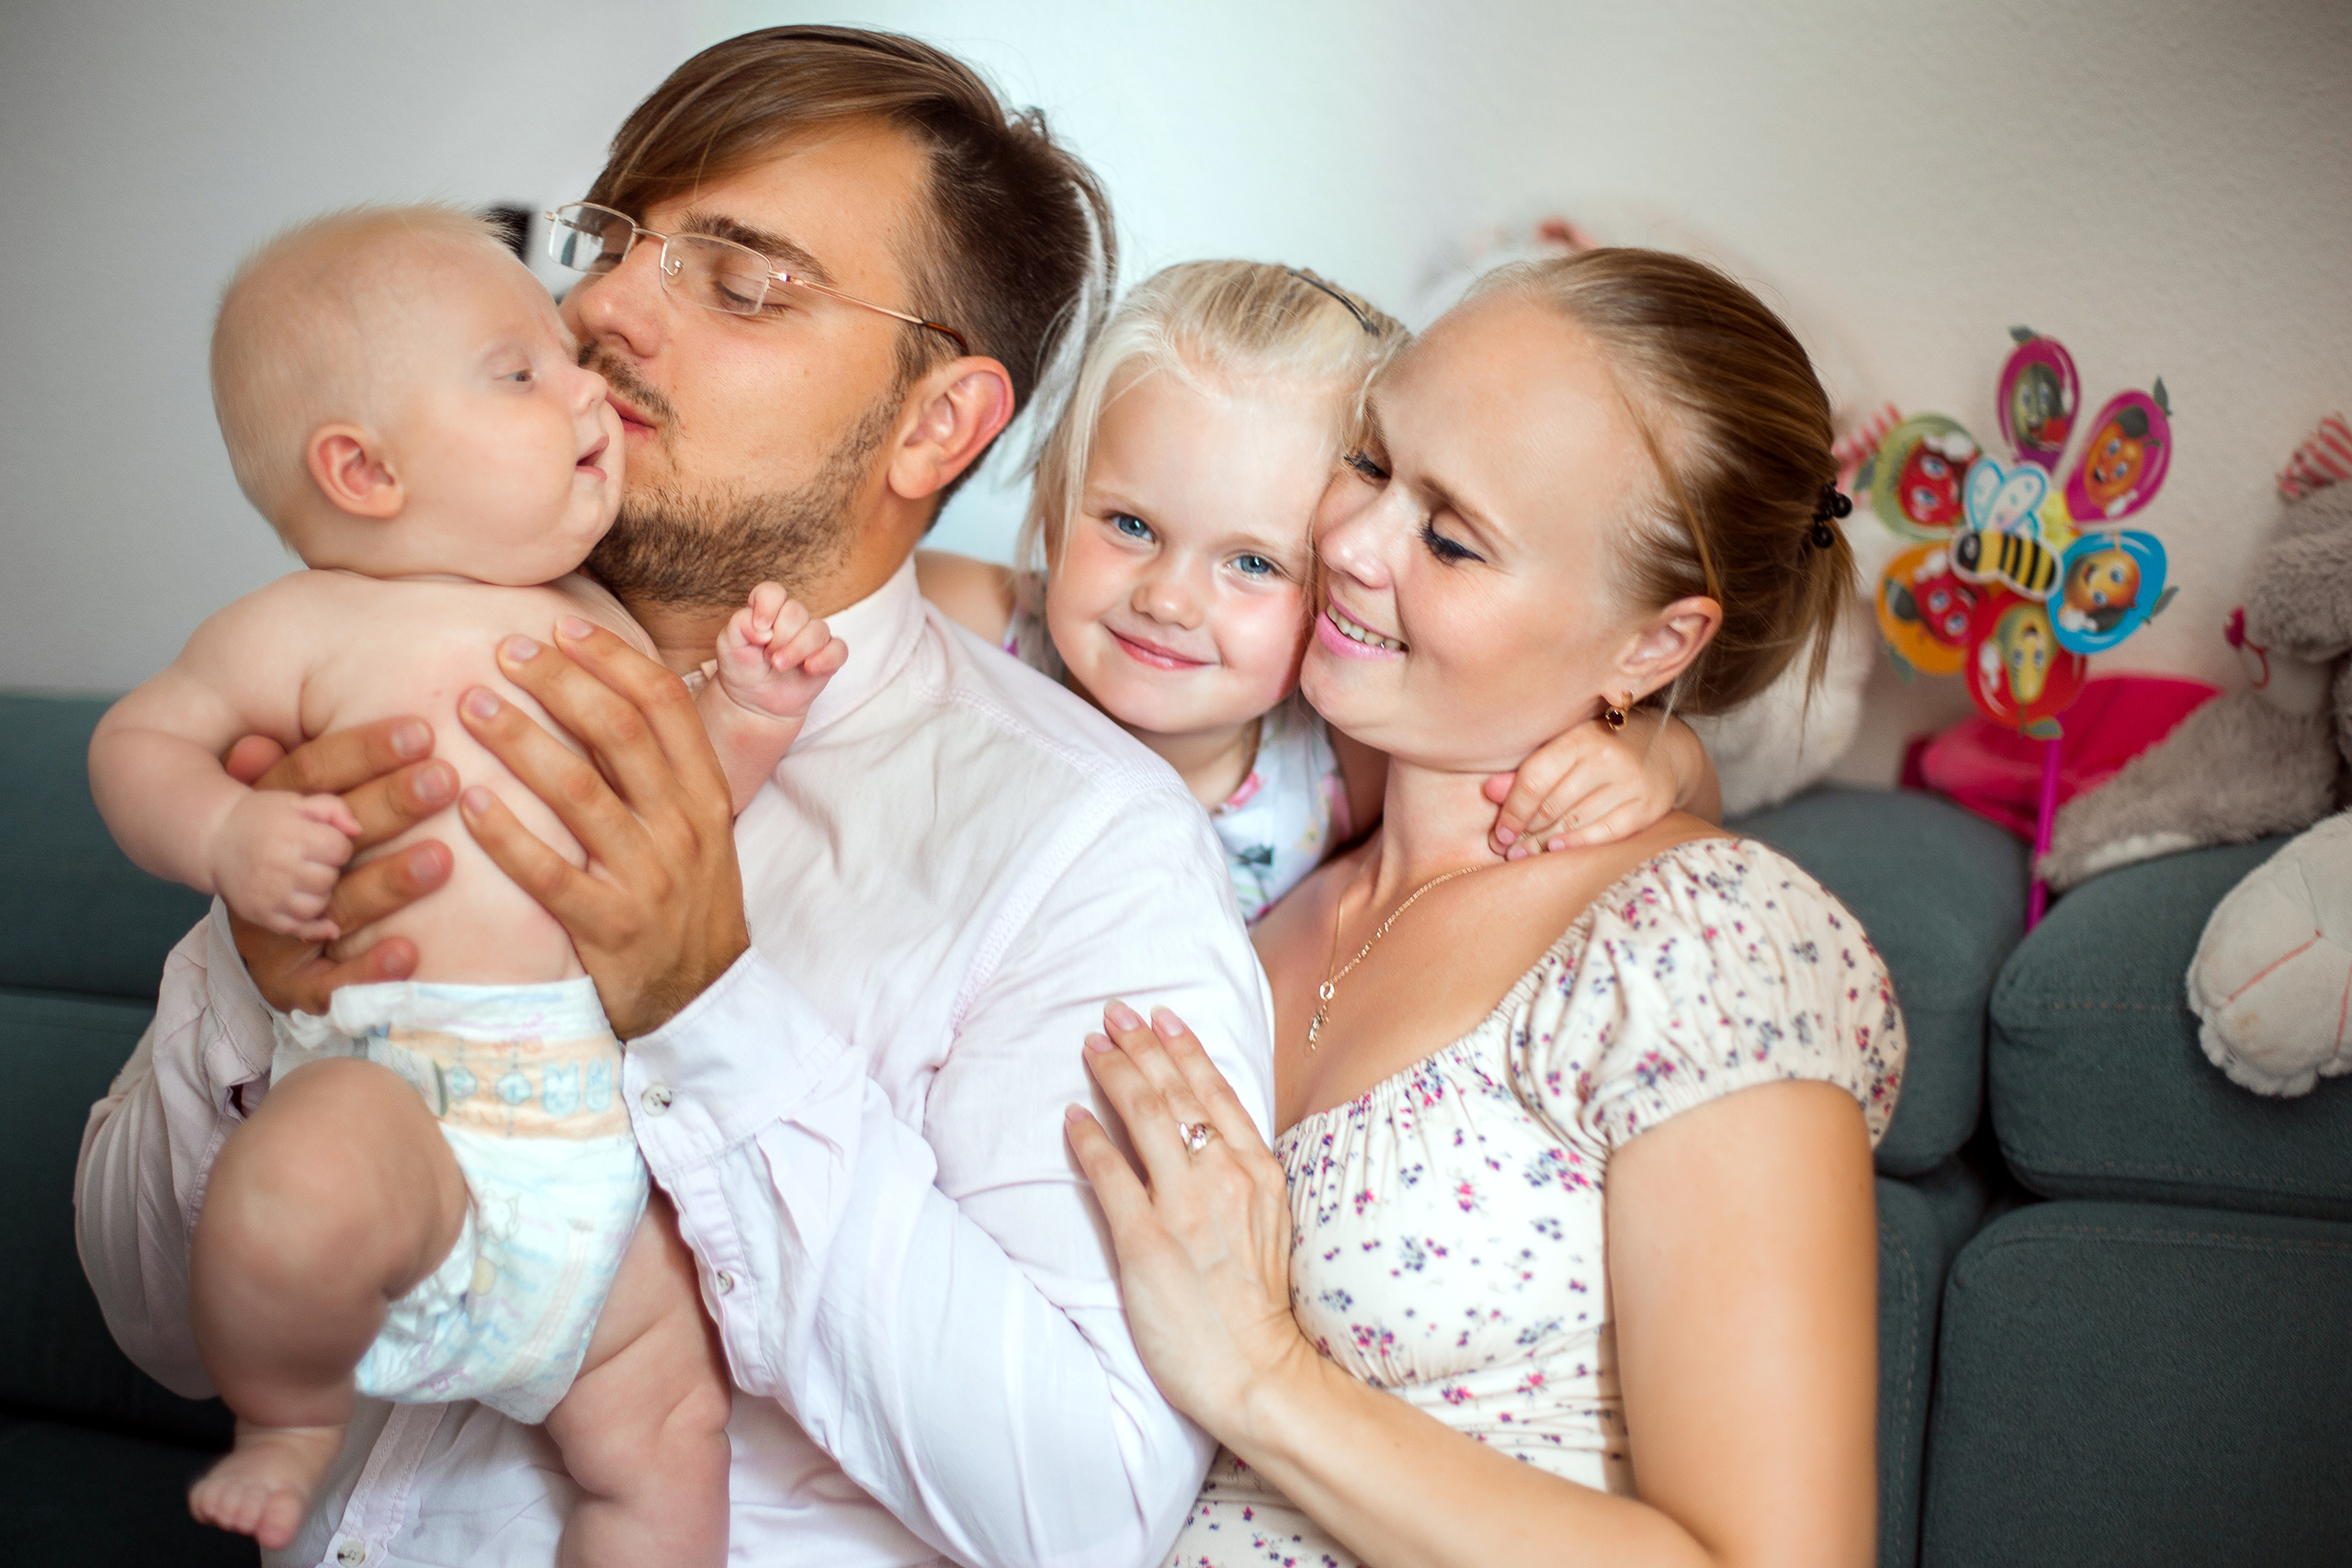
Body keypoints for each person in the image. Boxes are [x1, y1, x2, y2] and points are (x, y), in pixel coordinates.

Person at [75, 28, 1274, 1568]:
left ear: (936, 424)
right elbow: (155, 1329)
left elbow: (1084, 1511)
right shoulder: (388, 687)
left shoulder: (1082, 850)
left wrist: (706, 1004)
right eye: (615, 240)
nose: (599, 311)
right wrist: (251, 979)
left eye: (743, 277)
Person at [1064, 249, 1906, 1568]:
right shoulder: (1246, 897)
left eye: (1450, 537)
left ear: (1654, 645)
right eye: (1370, 457)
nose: (1344, 540)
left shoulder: (1696, 941)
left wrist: (1263, 1379)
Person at [87, 205, 848, 1560]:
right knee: (296, 1179)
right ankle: (287, 1422)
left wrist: (751, 713)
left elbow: (675, 813)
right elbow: (135, 743)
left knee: (671, 1436)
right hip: (396, 1094)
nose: (585, 386)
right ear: (363, 471)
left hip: (581, 1160)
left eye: (565, 356)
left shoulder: (597, 619)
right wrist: (224, 839)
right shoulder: (305, 628)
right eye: (522, 372)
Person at [917, 260, 1720, 922]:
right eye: (1130, 526)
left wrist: (1662, 752)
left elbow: (1640, 769)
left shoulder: (1337, 765)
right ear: (1055, 515)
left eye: (1255, 564)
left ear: (1336, 595)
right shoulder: (970, 626)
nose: (1167, 599)